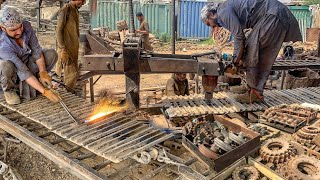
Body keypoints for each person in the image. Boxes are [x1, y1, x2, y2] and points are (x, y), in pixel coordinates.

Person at [200, 0, 302, 103]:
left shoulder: (223, 12)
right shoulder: (225, 9)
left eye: (210, 24)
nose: (214, 27)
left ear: (211, 14)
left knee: (252, 52)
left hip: (273, 15)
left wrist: (235, 62)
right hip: (274, 14)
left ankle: (255, 93)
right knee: (253, 51)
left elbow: (239, 36)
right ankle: (250, 87)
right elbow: (241, 36)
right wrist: (238, 57)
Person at [0, 7, 60, 105]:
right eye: (13, 30)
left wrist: (43, 72)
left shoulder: (27, 26)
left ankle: (37, 80)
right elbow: (22, 70)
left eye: (20, 27)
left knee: (51, 53)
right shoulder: (3, 45)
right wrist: (44, 92)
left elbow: (36, 51)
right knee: (5, 65)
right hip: (11, 70)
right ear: (3, 28)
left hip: (25, 61)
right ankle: (9, 90)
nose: (19, 32)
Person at [56, 0, 85, 90]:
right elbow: (58, 31)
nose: (83, 3)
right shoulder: (65, 10)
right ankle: (67, 94)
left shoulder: (75, 10)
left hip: (73, 48)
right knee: (71, 75)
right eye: (82, 0)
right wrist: (63, 49)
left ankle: (68, 90)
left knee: (72, 74)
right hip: (66, 49)